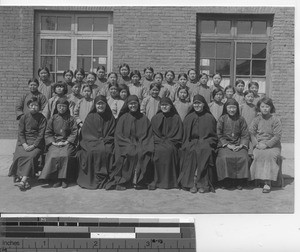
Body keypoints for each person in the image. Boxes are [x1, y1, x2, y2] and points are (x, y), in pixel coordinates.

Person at [105, 95, 154, 190]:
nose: (133, 106)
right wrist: (129, 144)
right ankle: (124, 181)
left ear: (138, 104)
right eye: (130, 104)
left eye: (135, 103)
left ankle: (139, 181)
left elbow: (148, 135)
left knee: (142, 152)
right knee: (128, 153)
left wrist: (141, 143)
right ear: (127, 105)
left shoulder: (144, 118)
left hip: (141, 143)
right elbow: (119, 135)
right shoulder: (123, 118)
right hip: (125, 144)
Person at [178, 94, 217, 193]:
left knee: (204, 151)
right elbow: (185, 136)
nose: (197, 105)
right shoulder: (189, 117)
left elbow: (213, 136)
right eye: (195, 103)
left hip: (206, 142)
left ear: (204, 104)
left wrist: (207, 142)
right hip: (192, 142)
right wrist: (187, 143)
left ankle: (202, 184)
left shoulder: (209, 117)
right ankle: (192, 183)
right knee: (191, 151)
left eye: (199, 103)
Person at [77, 95, 116, 189]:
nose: (100, 106)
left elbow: (113, 133)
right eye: (98, 104)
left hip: (107, 142)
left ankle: (108, 178)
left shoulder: (110, 117)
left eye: (102, 104)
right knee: (90, 152)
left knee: (109, 151)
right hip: (91, 142)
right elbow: (85, 134)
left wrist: (105, 140)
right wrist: (96, 141)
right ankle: (94, 180)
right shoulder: (90, 116)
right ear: (95, 105)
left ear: (106, 105)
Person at [9, 97, 47, 191]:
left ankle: (23, 180)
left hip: (36, 143)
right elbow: (21, 133)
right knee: (19, 155)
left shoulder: (42, 118)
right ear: (28, 106)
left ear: (39, 107)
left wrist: (34, 145)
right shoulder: (24, 117)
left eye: (36, 105)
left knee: (30, 157)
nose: (34, 107)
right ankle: (21, 177)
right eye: (31, 105)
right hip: (24, 142)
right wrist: (24, 144)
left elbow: (41, 134)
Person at [39, 98, 78, 188]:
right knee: (53, 155)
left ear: (67, 107)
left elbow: (74, 132)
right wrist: (53, 142)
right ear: (56, 107)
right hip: (55, 142)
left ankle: (64, 179)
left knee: (66, 155)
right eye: (59, 106)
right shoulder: (53, 118)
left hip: (67, 142)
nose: (62, 108)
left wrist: (67, 141)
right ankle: (55, 179)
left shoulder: (71, 119)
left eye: (64, 106)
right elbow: (48, 132)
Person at [148, 97, 183, 190]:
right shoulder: (155, 118)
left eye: (166, 105)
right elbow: (153, 133)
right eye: (162, 105)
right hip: (158, 142)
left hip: (172, 142)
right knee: (157, 151)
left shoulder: (176, 118)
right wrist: (160, 141)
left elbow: (178, 134)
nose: (164, 107)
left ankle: (169, 182)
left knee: (169, 151)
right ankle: (157, 180)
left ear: (171, 106)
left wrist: (168, 141)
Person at [249, 97, 282, 193]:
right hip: (259, 144)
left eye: (267, 106)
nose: (265, 109)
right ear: (259, 108)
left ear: (271, 108)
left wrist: (267, 145)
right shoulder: (256, 119)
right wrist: (256, 144)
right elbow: (251, 132)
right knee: (257, 155)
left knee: (269, 156)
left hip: (273, 145)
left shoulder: (276, 120)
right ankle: (259, 179)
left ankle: (267, 183)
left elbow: (277, 136)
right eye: (262, 106)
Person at [216, 98, 249, 190]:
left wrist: (241, 145)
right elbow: (218, 134)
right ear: (226, 108)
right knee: (224, 157)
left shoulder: (241, 119)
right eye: (229, 107)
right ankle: (226, 181)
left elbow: (245, 134)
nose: (232, 110)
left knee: (243, 157)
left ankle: (239, 181)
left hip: (238, 144)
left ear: (237, 108)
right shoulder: (222, 119)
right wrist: (227, 145)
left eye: (234, 108)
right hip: (225, 145)